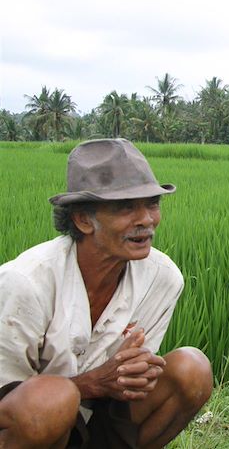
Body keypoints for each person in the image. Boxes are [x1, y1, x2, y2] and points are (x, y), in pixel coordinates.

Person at [0, 138, 213, 448]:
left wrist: (134, 375)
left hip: (100, 420)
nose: (146, 220)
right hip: (29, 426)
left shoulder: (162, 278)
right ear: (84, 219)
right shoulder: (25, 282)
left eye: (152, 203)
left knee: (191, 370)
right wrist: (92, 384)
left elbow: (131, 380)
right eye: (125, 207)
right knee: (53, 399)